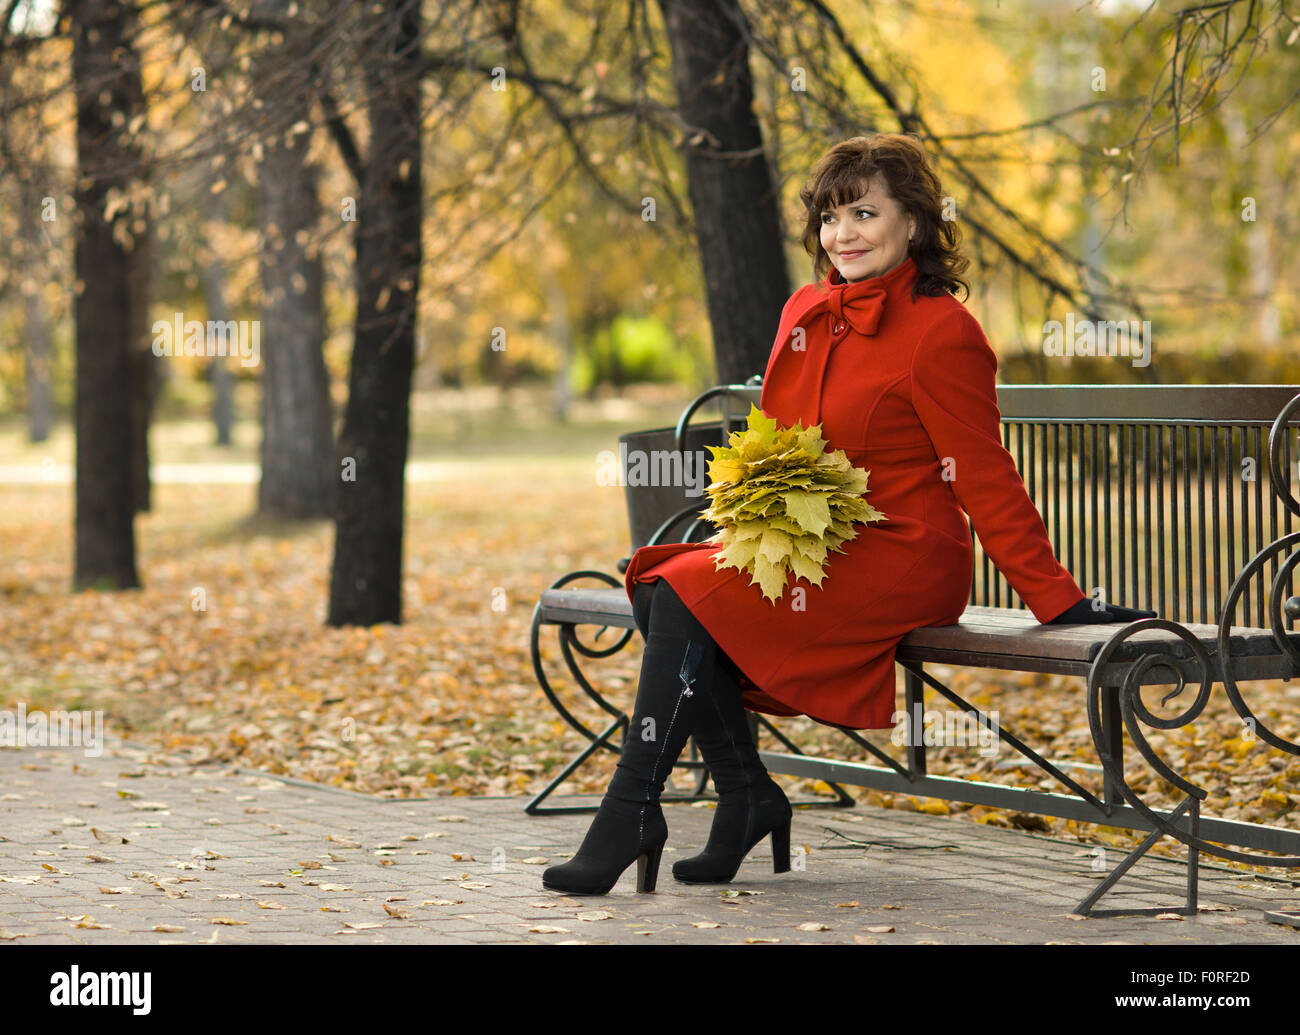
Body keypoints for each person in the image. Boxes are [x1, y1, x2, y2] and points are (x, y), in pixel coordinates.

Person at [541, 133, 1155, 897]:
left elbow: (983, 474)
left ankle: (642, 809)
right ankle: (741, 798)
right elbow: (776, 440)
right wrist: (752, 531)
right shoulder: (805, 307)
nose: (845, 234)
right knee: (672, 583)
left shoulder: (942, 330)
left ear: (914, 224)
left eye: (866, 212)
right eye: (831, 218)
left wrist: (1057, 599)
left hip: (905, 555)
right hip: (815, 545)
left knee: (688, 593)